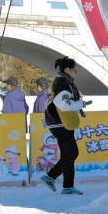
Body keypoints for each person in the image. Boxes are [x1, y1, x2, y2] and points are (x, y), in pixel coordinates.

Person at [40, 56, 90, 196]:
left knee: (70, 154)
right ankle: (50, 177)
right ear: (67, 70)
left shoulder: (64, 81)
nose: (76, 73)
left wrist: (79, 102)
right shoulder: (62, 82)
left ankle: (67, 186)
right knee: (70, 154)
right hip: (59, 122)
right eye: (74, 70)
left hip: (62, 122)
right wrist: (81, 104)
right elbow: (64, 104)